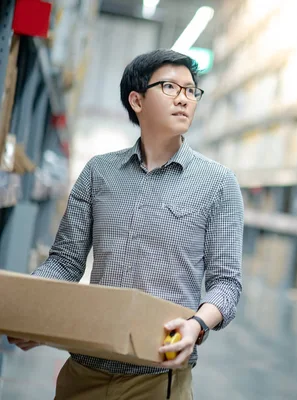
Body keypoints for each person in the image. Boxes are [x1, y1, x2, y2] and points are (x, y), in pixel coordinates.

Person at [8, 49, 244, 399]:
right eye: (170, 87)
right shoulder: (99, 173)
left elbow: (226, 283)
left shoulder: (218, 183)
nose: (184, 99)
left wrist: (197, 325)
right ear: (137, 100)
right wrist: (30, 309)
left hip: (156, 375)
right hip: (84, 371)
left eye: (191, 91)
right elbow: (65, 261)